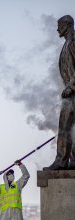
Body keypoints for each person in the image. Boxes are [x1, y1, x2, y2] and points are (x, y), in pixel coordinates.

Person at [44, 15, 75, 170]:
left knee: (64, 127)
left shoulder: (73, 42)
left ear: (67, 25)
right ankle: (72, 160)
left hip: (72, 92)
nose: (57, 29)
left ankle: (61, 161)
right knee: (70, 128)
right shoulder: (66, 44)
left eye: (59, 25)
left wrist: (71, 86)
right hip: (70, 93)